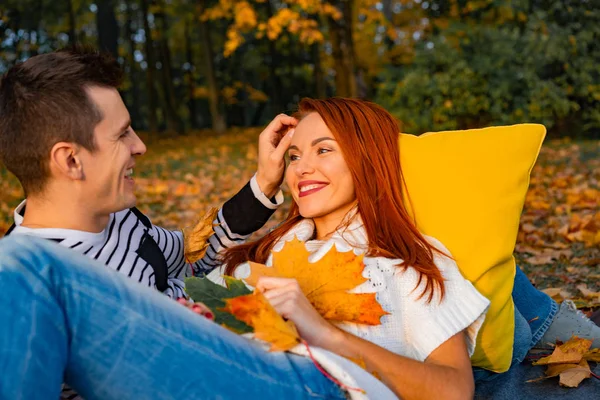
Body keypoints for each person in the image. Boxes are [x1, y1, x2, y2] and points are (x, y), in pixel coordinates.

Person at [1, 97, 491, 399]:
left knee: (30, 261)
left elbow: (454, 391)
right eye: (293, 155)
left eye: (324, 149)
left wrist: (325, 334)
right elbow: (198, 268)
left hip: (323, 385)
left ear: (370, 161)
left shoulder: (407, 260)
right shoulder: (272, 254)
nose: (299, 168)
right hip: (221, 370)